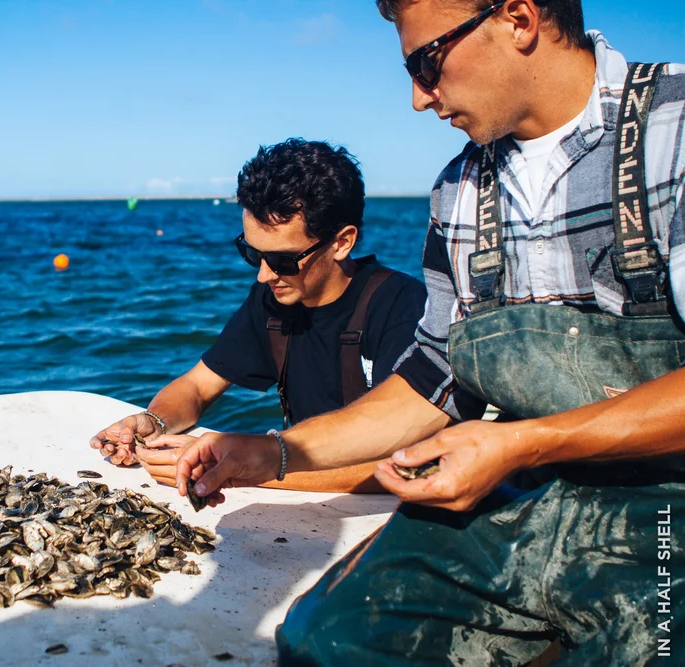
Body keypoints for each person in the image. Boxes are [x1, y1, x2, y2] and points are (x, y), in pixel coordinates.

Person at [170, 1, 685, 663]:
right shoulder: (459, 188)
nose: (418, 98)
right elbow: (432, 383)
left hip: (667, 514)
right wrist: (272, 453)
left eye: (427, 63)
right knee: (319, 642)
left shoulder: (673, 125)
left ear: (519, 18)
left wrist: (523, 443)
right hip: (527, 497)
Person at [89, 139, 427, 493]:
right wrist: (154, 422)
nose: (264, 275)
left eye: (283, 260)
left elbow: (411, 463)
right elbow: (197, 386)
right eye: (253, 254)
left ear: (342, 242)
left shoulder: (402, 306)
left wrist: (249, 468)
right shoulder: (272, 301)